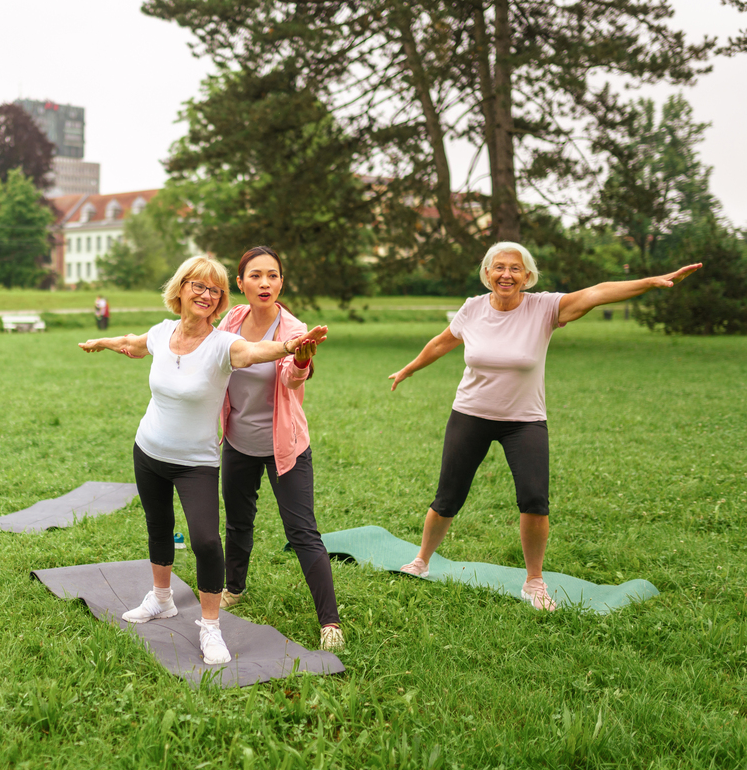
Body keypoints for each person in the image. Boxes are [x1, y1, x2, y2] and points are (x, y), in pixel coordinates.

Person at [388, 242, 701, 610]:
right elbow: (442, 343)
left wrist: (650, 281)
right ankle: (422, 560)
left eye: (515, 268)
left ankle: (534, 582)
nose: (507, 274)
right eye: (499, 267)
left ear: (528, 275)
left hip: (524, 421)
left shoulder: (545, 308)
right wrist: (408, 368)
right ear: (488, 273)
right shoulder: (472, 308)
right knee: (448, 497)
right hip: (470, 414)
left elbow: (598, 292)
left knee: (535, 500)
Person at [79, 256, 327, 664]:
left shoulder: (223, 345)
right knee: (158, 527)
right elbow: (133, 343)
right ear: (181, 289)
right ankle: (161, 598)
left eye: (214, 291)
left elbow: (254, 351)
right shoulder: (162, 333)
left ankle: (210, 626)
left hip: (195, 461)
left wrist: (288, 346)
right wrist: (102, 343)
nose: (206, 296)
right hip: (148, 450)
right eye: (198, 286)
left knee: (207, 542)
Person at [216, 246, 344, 651]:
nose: (264, 283)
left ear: (281, 282)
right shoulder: (232, 319)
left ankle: (331, 624)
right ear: (241, 284)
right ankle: (233, 589)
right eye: (255, 275)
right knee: (238, 523)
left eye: (272, 275)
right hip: (238, 441)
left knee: (302, 531)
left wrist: (303, 361)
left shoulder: (293, 328)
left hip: (284, 445)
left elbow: (291, 377)